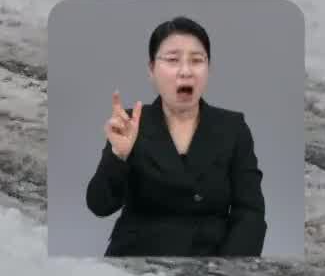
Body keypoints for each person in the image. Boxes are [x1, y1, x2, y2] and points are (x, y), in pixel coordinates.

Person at [86, 17, 266, 257]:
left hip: (210, 268)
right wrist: (118, 156)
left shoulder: (233, 127)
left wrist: (228, 271)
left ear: (208, 69)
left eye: (197, 61)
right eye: (172, 60)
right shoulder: (131, 123)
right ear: (152, 69)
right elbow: (99, 205)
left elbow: (251, 213)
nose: (185, 71)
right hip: (137, 266)